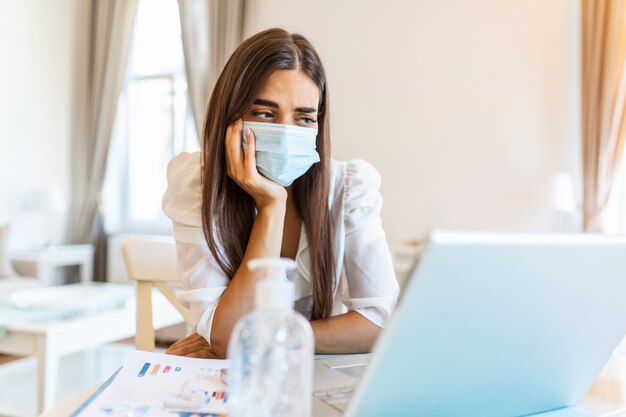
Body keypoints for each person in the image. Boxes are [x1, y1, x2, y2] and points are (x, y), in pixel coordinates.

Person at [162, 28, 399, 359]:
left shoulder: (348, 187)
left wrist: (270, 336)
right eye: (264, 114)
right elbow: (229, 339)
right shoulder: (198, 185)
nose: (287, 133)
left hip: (310, 373)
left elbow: (379, 324)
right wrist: (272, 205)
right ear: (230, 117)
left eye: (304, 118)